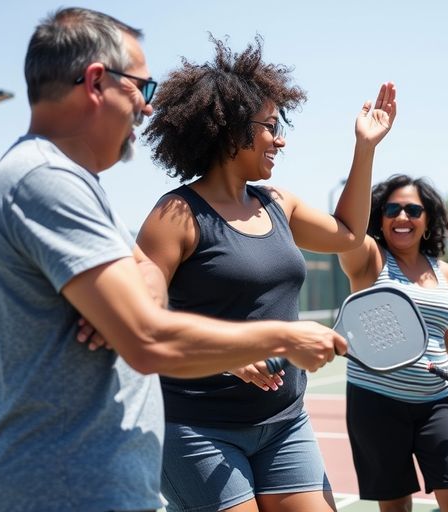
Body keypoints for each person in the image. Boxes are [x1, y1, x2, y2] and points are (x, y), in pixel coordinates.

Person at [0, 9, 344, 512]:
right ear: (98, 82)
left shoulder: (72, 182)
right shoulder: (45, 180)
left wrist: (129, 303)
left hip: (94, 480)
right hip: (62, 487)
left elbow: (140, 294)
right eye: (143, 90)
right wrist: (285, 337)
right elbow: (146, 339)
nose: (148, 110)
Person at [133, 37, 396, 512]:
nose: (281, 138)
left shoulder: (278, 203)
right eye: (270, 127)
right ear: (232, 129)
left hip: (284, 422)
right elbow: (143, 313)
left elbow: (352, 233)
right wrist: (229, 354)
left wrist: (364, 147)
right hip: (194, 428)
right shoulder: (174, 214)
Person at [338, 174, 448, 512]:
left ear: (428, 219)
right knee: (396, 509)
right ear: (380, 217)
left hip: (437, 402)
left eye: (412, 210)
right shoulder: (370, 258)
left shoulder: (446, 273)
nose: (402, 217)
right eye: (391, 209)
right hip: (376, 403)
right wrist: (366, 147)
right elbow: (347, 226)